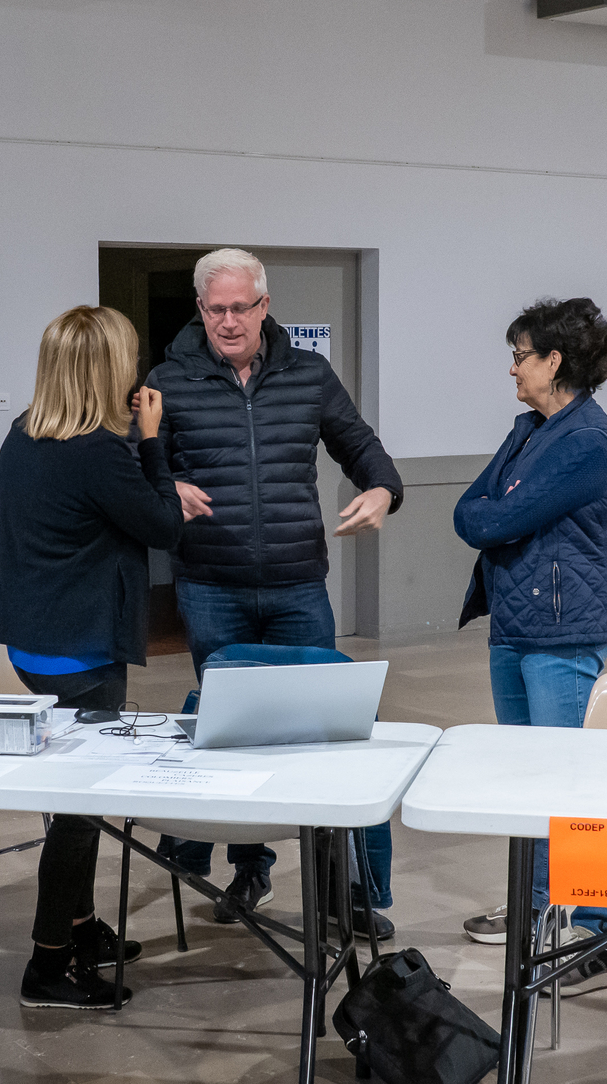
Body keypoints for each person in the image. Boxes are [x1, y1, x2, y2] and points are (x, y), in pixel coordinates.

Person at [145, 248, 403, 935]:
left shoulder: (308, 373)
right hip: (211, 586)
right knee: (237, 736)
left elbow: (358, 442)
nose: (229, 321)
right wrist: (167, 485)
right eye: (216, 309)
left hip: (297, 586)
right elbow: (141, 465)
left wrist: (383, 488)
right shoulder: (168, 380)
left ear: (265, 306)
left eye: (241, 307)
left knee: (325, 735)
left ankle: (339, 890)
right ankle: (249, 867)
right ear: (200, 310)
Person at [0, 306, 187, 1010]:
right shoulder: (98, 451)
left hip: (33, 642)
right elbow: (163, 525)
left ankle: (80, 928)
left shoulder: (23, 435)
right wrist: (152, 442)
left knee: (70, 796)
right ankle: (47, 966)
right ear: (109, 369)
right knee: (79, 813)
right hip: (82, 650)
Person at [453, 296, 607, 996]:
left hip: (563, 630)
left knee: (576, 788)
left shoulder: (587, 441)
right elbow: (469, 512)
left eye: (520, 356)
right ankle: (534, 909)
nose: (512, 368)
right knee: (528, 784)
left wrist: (495, 515)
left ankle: (600, 938)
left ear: (555, 361)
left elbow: (500, 518)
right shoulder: (529, 429)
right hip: (515, 624)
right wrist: (493, 515)